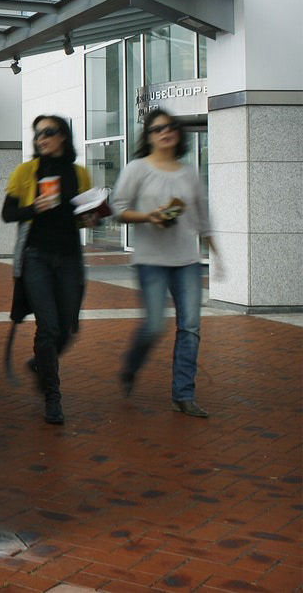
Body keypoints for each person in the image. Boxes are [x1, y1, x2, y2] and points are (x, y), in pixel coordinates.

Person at [111, 109, 214, 417]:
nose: (165, 132)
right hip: (151, 260)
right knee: (155, 325)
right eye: (157, 129)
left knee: (190, 327)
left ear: (178, 133)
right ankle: (131, 366)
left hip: (186, 261)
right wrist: (148, 216)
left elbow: (201, 213)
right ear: (149, 136)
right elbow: (117, 207)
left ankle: (183, 394)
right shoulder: (137, 169)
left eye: (170, 127)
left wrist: (215, 247)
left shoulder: (188, 172)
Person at [1, 115, 94, 426]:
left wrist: (92, 219)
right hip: (36, 257)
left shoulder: (78, 174)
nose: (42, 138)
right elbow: (8, 213)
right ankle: (53, 397)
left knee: (67, 328)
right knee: (49, 327)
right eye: (38, 134)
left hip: (69, 257)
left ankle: (40, 363)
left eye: (49, 132)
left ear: (63, 136)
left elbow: (81, 215)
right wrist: (34, 208)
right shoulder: (26, 172)